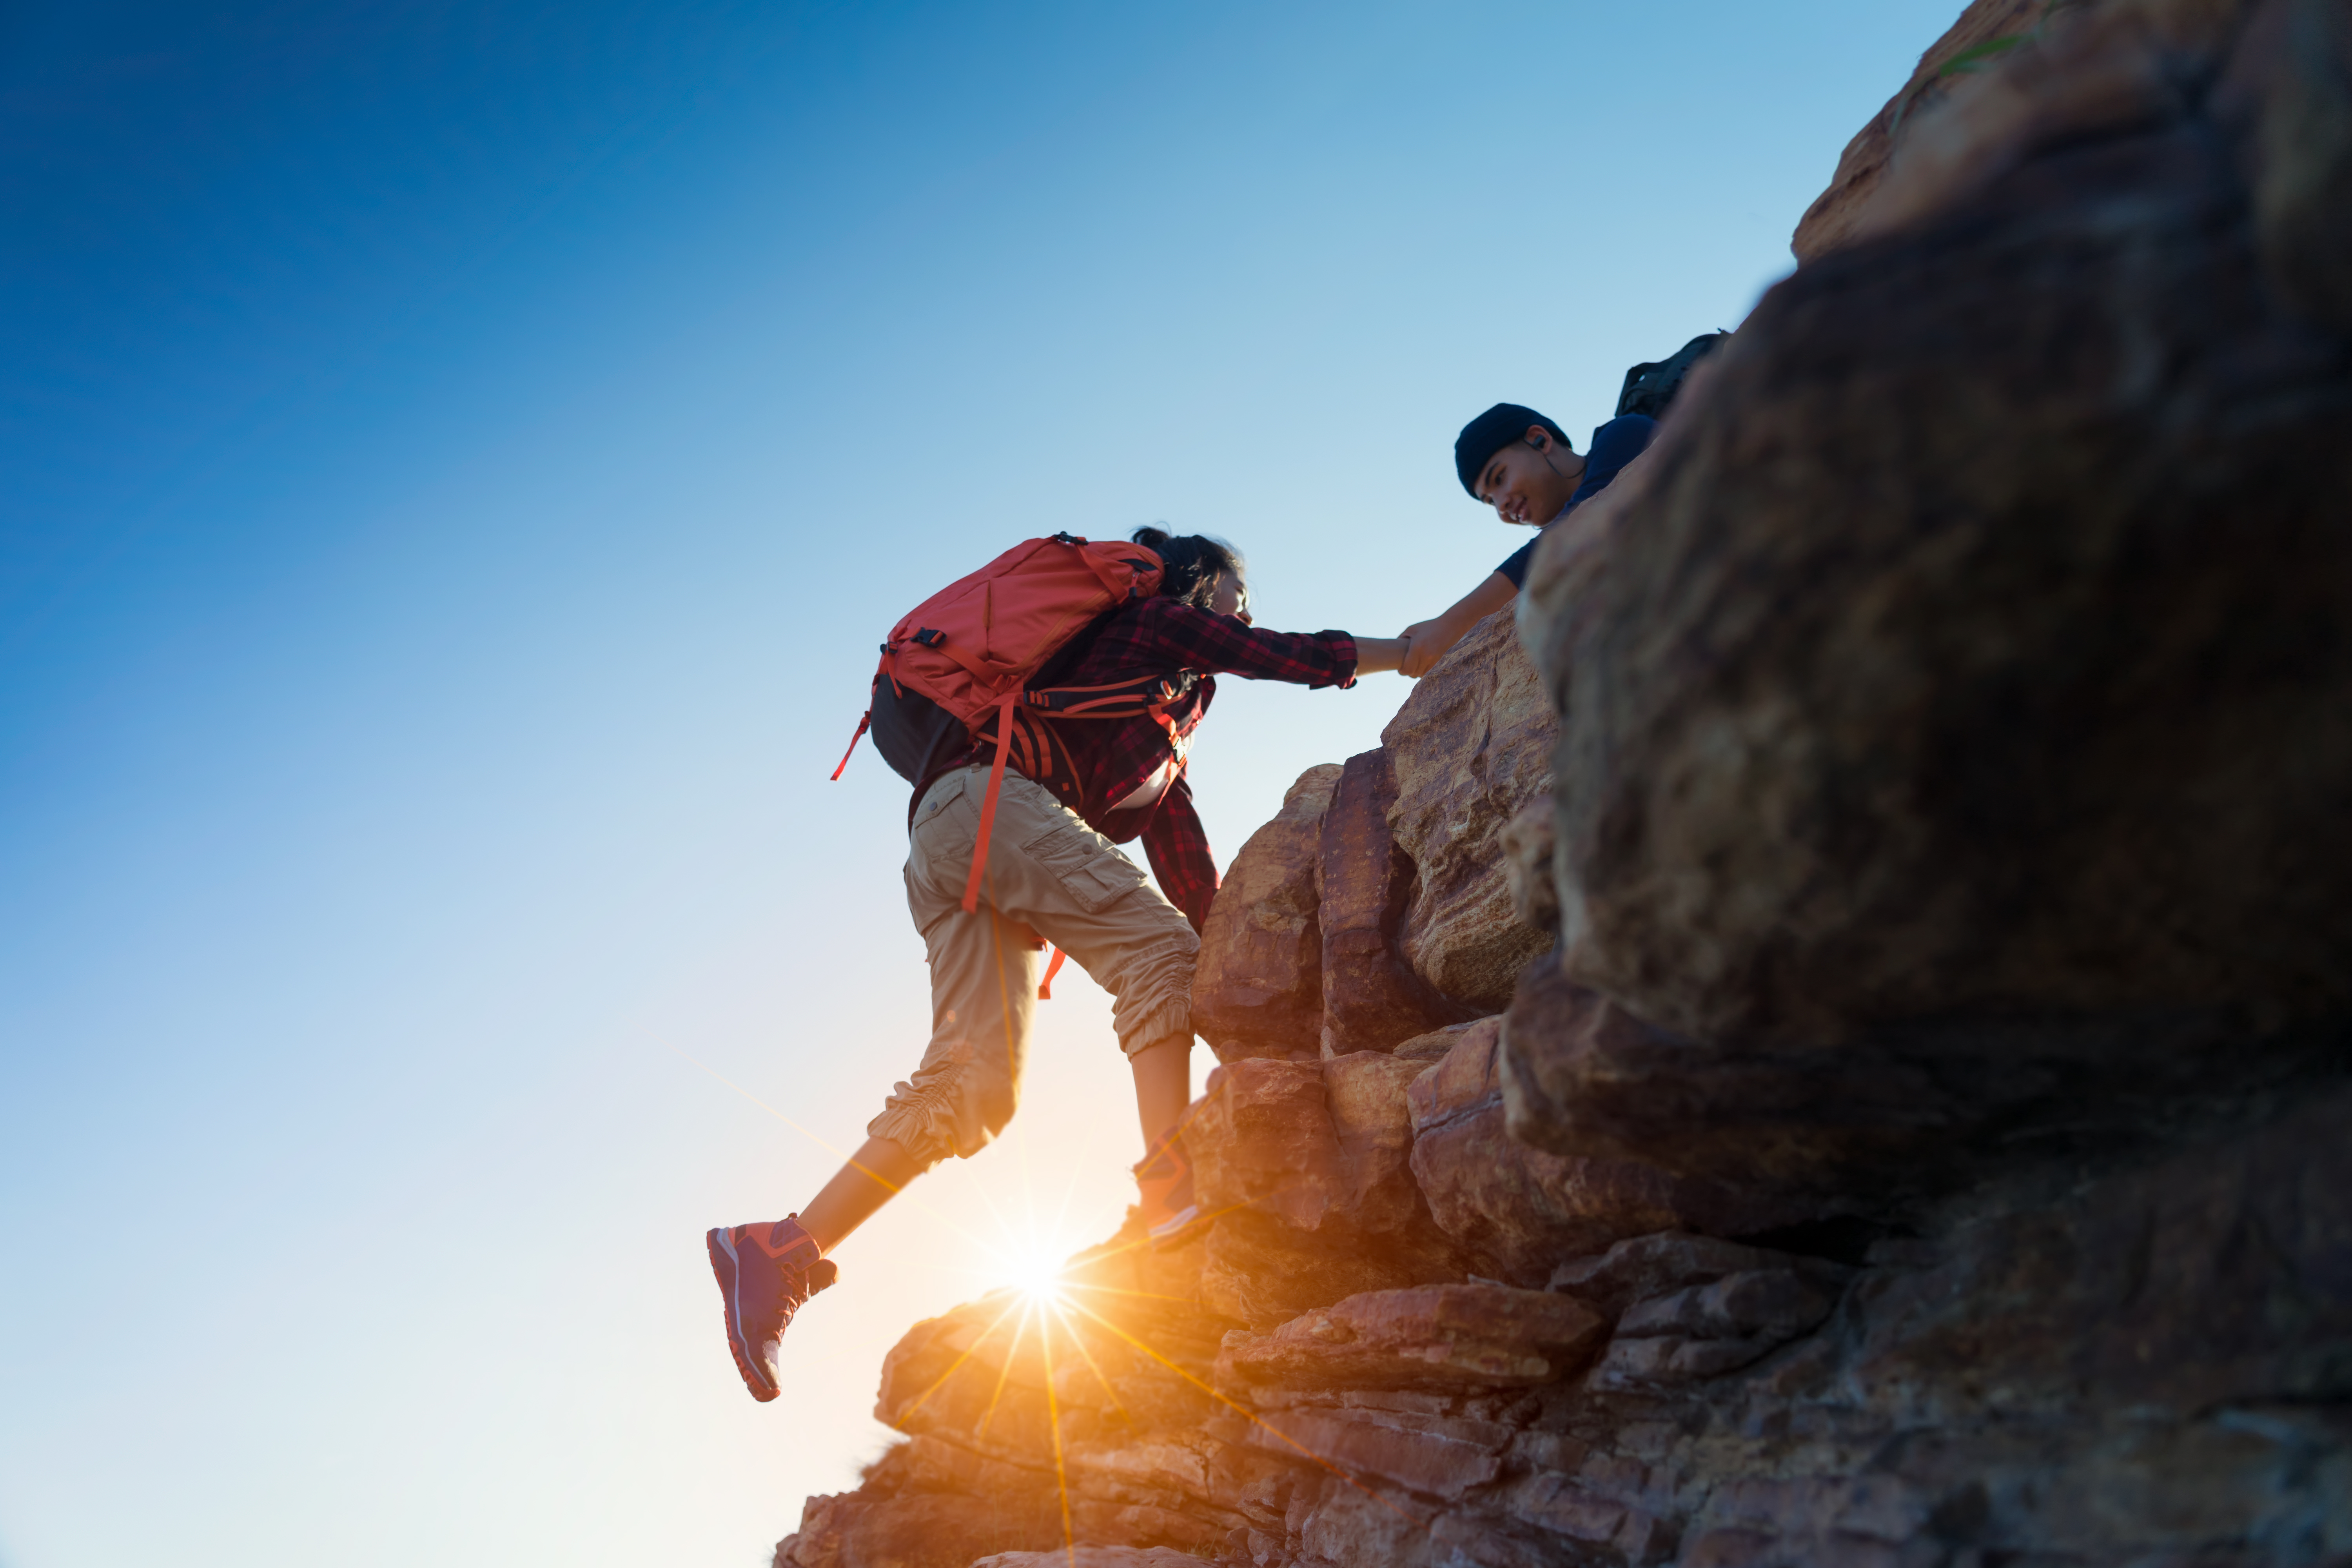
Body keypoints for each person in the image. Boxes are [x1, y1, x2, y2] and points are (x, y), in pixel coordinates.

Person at [705, 528, 1408, 1404]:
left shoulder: (1153, 732)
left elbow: (1187, 865)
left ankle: (777, 1250)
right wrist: (1410, 651)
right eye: (1236, 590)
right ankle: (1171, 1199)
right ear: (1201, 586)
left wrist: (1242, 971)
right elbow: (1281, 656)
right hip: (988, 803)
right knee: (1157, 957)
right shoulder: (1158, 626)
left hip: (946, 832)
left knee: (974, 1087)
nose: (1245, 607)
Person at [1397, 403, 1656, 677]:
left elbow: (1572, 531)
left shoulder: (1626, 434)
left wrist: (1448, 626)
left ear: (1539, 440)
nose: (1502, 507)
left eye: (1499, 478)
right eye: (1490, 502)